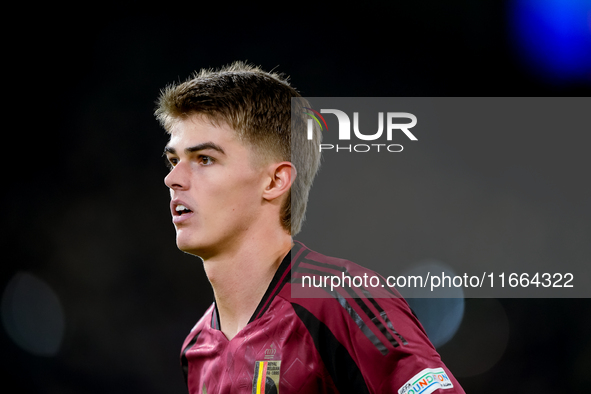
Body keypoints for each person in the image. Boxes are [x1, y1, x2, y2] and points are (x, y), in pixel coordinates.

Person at [155, 62, 465, 394]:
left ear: (275, 181)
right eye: (174, 160)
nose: (172, 179)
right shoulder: (198, 348)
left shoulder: (340, 300)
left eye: (204, 159)